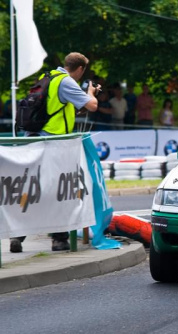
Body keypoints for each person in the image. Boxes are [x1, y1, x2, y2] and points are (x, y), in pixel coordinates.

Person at [11, 52, 100, 253]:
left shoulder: (48, 77)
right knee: (59, 189)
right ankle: (59, 239)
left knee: (33, 188)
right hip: (52, 143)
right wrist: (91, 93)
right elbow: (92, 106)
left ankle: (17, 235)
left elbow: (61, 109)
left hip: (33, 139)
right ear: (80, 69)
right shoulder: (67, 82)